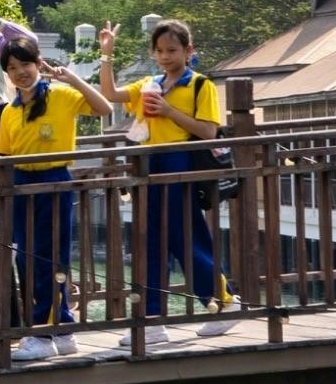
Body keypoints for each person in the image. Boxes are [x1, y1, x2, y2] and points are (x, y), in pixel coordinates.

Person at [99, 20, 240, 345]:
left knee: (183, 237)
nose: (165, 56)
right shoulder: (151, 82)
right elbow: (111, 94)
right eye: (160, 51)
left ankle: (223, 302)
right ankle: (152, 318)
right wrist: (106, 55)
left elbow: (208, 131)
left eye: (172, 50)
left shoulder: (199, 85)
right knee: (150, 241)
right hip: (149, 161)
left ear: (188, 51)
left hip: (179, 161)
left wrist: (168, 110)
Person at [0, 36, 113, 362]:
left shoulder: (60, 95)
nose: (20, 73)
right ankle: (62, 327)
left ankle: (42, 332)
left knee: (49, 258)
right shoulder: (9, 111)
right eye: (12, 68)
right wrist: (1, 202)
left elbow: (104, 108)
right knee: (25, 258)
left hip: (54, 180)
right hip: (20, 184)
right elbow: (4, 159)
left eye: (25, 64)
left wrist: (70, 77)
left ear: (38, 63)